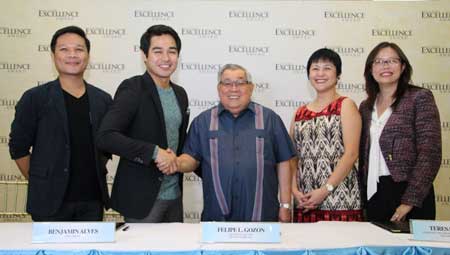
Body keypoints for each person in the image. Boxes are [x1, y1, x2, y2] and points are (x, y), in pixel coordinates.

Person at [8, 26, 112, 221]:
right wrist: (43, 181)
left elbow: (107, 146)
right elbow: (18, 148)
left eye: (79, 49)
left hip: (92, 202)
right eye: (64, 49)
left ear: (88, 56)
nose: (72, 55)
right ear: (53, 55)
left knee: (89, 253)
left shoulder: (103, 100)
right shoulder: (35, 98)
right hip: (48, 204)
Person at [169, 64, 295, 222]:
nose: (233, 89)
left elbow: (284, 162)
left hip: (262, 217)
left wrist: (285, 205)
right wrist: (177, 162)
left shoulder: (270, 119)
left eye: (240, 83)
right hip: (216, 219)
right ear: (219, 88)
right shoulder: (202, 122)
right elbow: (191, 159)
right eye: (227, 83)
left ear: (251, 88)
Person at [96, 25, 189, 223]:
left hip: (175, 197)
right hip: (142, 200)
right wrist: (154, 152)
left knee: (174, 254)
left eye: (172, 52)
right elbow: (105, 137)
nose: (166, 58)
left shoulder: (180, 94)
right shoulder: (133, 88)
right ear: (144, 55)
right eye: (157, 51)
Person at [359, 42, 441, 222]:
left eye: (391, 61)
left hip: (410, 193)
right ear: (370, 69)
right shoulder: (365, 107)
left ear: (403, 66)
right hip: (374, 192)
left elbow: (430, 154)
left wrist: (409, 201)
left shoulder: (419, 98)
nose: (385, 66)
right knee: (378, 250)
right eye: (379, 61)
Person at [290, 48, 363, 223]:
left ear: (338, 75)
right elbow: (292, 157)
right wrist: (294, 190)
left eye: (327, 68)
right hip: (305, 201)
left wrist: (325, 190)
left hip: (340, 198)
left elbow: (352, 153)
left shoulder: (345, 105)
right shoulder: (299, 113)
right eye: (315, 68)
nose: (320, 73)